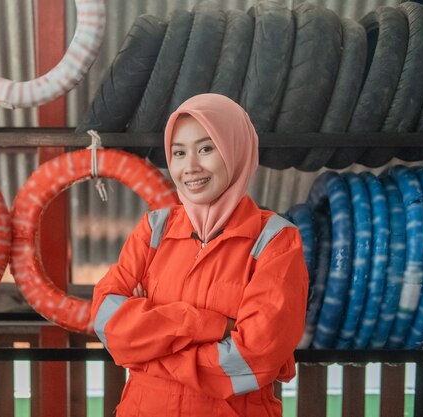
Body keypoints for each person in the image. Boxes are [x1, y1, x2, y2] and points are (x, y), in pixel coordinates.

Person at [91, 93, 308, 417]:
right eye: (179, 153)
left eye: (206, 148)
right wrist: (211, 326)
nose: (190, 167)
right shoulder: (154, 229)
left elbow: (251, 360)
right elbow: (106, 321)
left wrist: (148, 350)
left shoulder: (276, 240)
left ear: (236, 150)